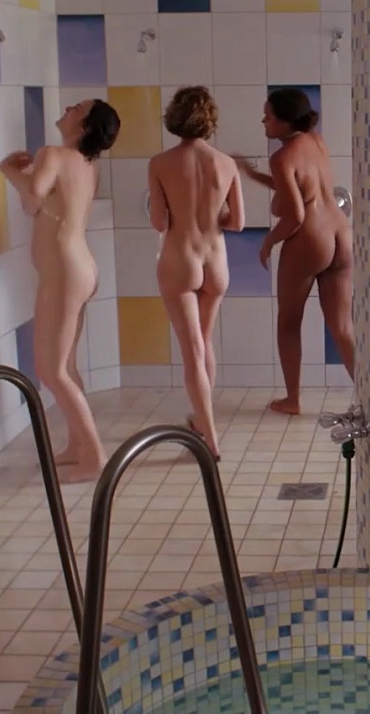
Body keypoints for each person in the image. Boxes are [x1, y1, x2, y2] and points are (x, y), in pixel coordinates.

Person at [0, 98, 120, 484]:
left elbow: (33, 196)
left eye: (77, 107)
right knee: (65, 367)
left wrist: (8, 170)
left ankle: (95, 456)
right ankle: (78, 447)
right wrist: (26, 178)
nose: (68, 106)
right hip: (80, 268)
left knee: (50, 370)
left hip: (65, 273)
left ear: (84, 125)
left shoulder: (52, 154)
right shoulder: (86, 165)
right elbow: (37, 206)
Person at [233, 88, 356, 416]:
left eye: (268, 117)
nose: (264, 121)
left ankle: (292, 400)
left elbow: (296, 216)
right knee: (343, 326)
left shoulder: (281, 157)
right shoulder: (317, 142)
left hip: (310, 238)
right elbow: (302, 184)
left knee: (288, 323)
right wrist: (253, 175)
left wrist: (268, 241)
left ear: (285, 121)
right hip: (341, 233)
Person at [149, 86, 245, 459]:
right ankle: (202, 422)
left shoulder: (160, 163)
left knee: (192, 350)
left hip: (180, 260)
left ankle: (209, 436)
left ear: (174, 117)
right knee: (205, 342)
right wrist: (211, 215)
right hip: (216, 262)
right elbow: (237, 222)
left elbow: (159, 222)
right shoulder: (226, 163)